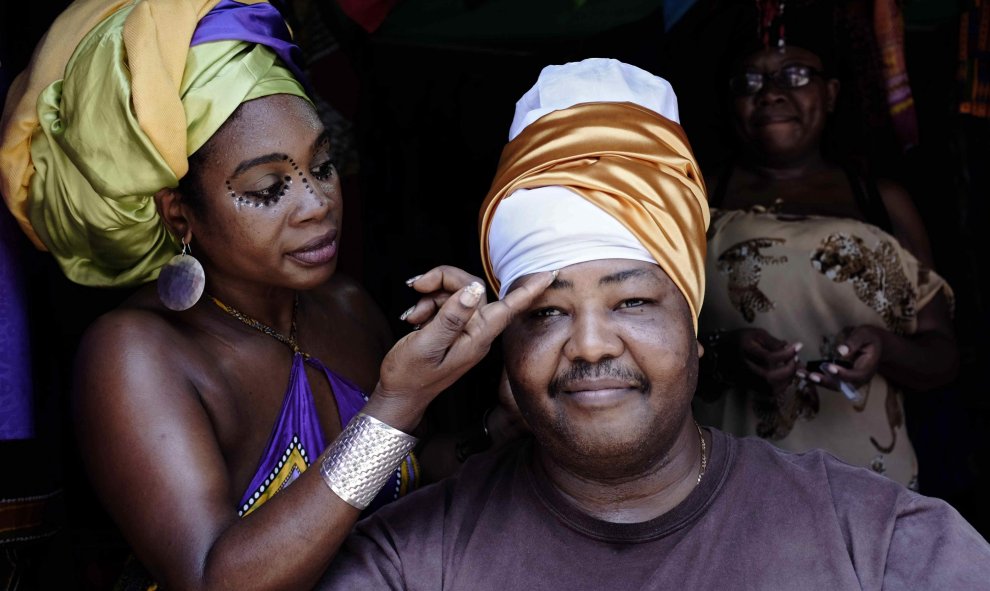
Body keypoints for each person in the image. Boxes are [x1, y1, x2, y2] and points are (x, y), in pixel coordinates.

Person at [318, 58, 990, 590]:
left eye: (632, 301)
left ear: (694, 324)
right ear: (502, 342)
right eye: (546, 312)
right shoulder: (411, 560)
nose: (588, 344)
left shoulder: (877, 541)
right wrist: (393, 409)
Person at [0, 1, 552, 589]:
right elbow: (212, 577)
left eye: (324, 165)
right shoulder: (134, 355)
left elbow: (394, 485)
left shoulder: (345, 306)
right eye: (267, 188)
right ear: (180, 214)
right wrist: (396, 403)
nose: (318, 204)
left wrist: (494, 431)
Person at [693, 5, 957, 489]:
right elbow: (645, 331)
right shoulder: (695, 197)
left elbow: (942, 355)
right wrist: (723, 355)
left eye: (795, 75)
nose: (771, 93)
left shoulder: (880, 200)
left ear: (831, 93)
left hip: (863, 477)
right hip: (728, 472)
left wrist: (884, 347)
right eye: (749, 80)